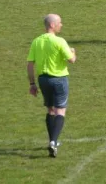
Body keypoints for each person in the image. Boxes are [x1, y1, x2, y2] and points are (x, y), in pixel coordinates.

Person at [26, 14, 77, 157]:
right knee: (60, 111)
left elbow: (30, 64)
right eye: (60, 23)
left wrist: (32, 83)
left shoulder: (36, 41)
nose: (62, 25)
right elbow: (71, 60)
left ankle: (51, 142)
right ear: (52, 25)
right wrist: (73, 52)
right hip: (59, 79)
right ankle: (53, 142)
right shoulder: (59, 41)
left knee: (50, 110)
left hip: (43, 80)